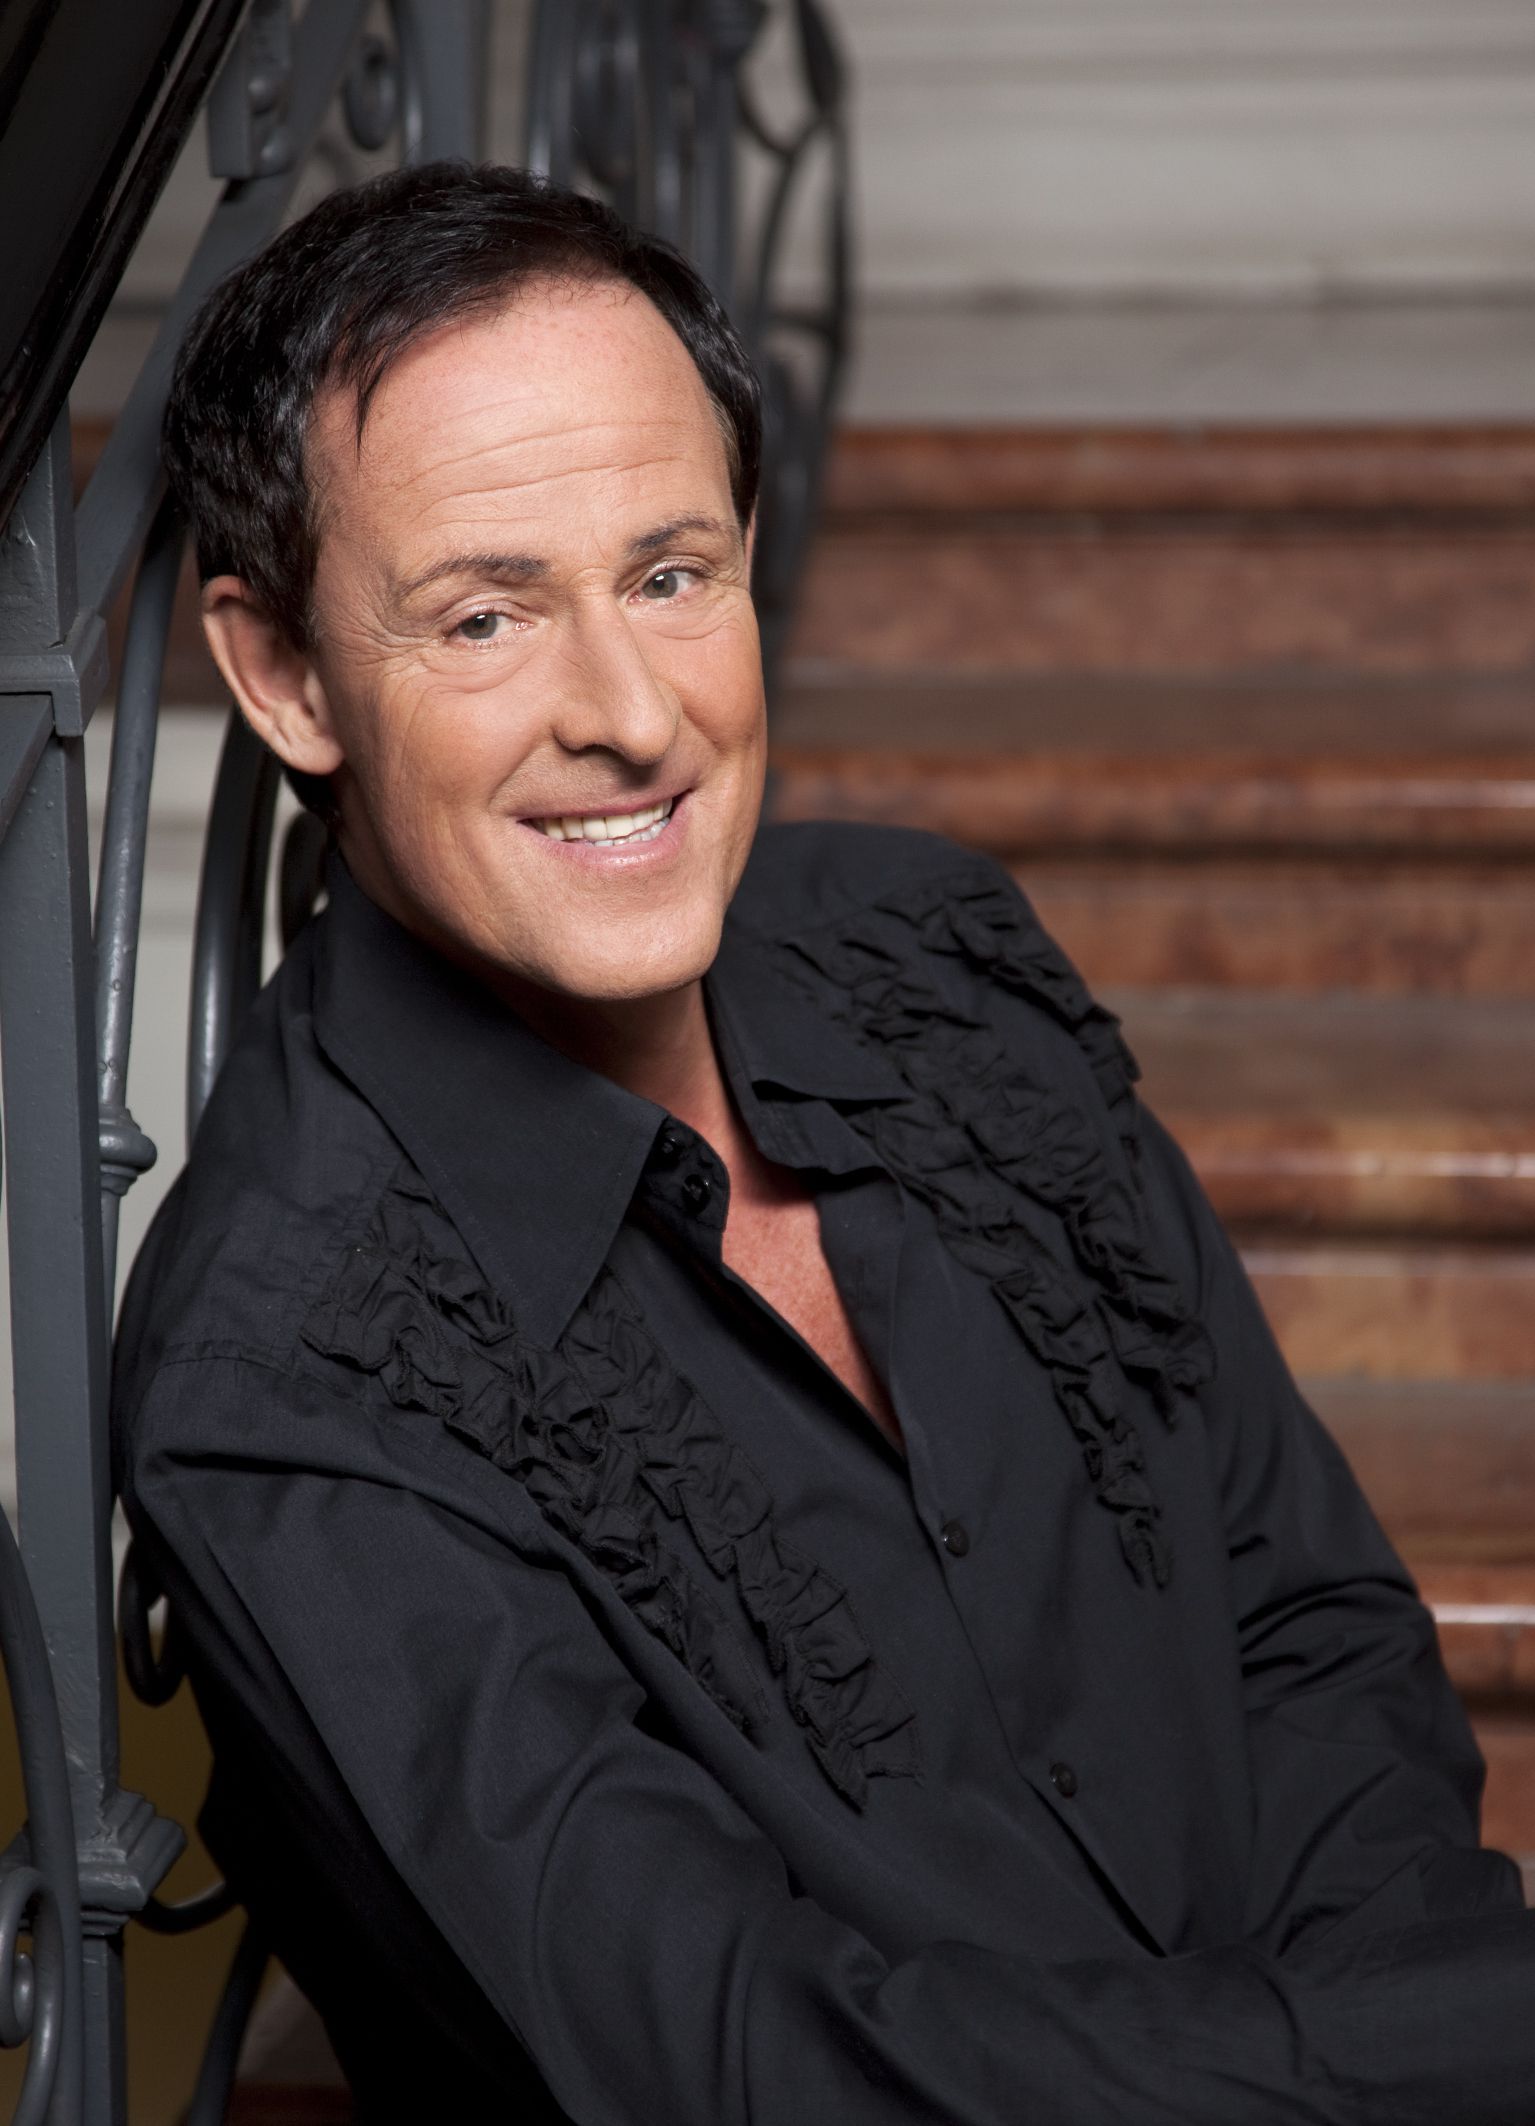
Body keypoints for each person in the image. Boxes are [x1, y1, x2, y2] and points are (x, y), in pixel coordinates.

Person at [114, 161, 1535, 2125]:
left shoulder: (924, 955)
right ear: (285, 676)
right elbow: (743, 2073)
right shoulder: (283, 1376)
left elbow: (1309, 1624)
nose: (631, 714)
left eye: (670, 575)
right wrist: (1439, 2051)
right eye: (487, 616)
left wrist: (1406, 2049)